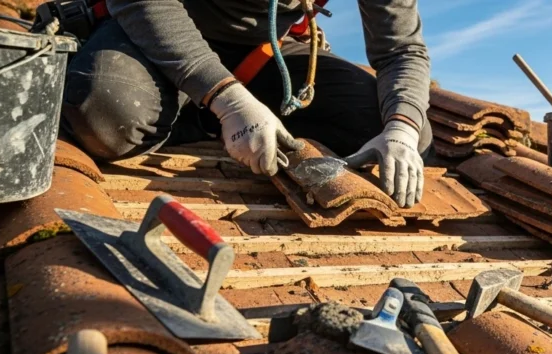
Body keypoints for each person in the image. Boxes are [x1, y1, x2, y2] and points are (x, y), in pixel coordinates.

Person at [61, 0, 432, 207]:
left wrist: (402, 129)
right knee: (107, 115)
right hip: (165, 32)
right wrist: (227, 98)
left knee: (397, 134)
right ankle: (203, 106)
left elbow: (402, 50)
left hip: (267, 51)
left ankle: (208, 116)